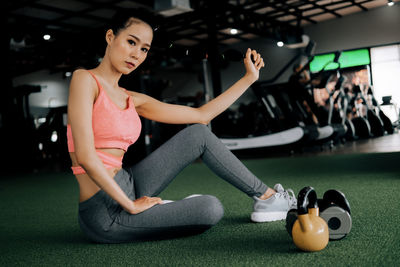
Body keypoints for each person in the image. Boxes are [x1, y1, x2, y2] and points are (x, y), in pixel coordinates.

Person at [67, 9, 297, 243]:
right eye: (131, 42)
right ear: (110, 37)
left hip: (129, 183)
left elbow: (202, 115)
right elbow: (86, 156)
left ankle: (268, 198)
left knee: (197, 134)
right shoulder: (85, 79)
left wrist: (249, 78)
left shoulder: (131, 98)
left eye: (144, 49)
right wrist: (131, 206)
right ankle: (161, 212)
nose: (136, 54)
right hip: (106, 213)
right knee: (210, 208)